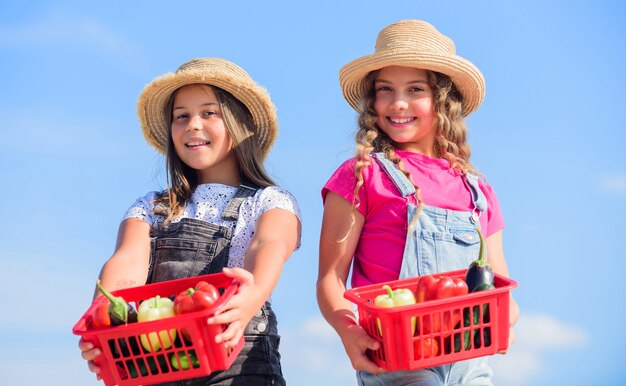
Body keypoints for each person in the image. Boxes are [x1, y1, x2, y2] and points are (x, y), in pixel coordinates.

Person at [317, 20, 519, 385]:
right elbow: (330, 278)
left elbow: (498, 285)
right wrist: (348, 331)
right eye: (384, 90)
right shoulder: (360, 175)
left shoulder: (477, 190)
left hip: (469, 361)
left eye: (415, 90)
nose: (397, 103)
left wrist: (508, 316)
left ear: (443, 101)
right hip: (397, 360)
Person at [78, 57, 301, 385]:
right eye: (181, 116)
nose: (193, 124)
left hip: (240, 367)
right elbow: (125, 264)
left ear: (240, 123)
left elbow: (269, 244)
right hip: (158, 363)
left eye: (209, 113)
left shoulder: (268, 201)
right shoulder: (151, 209)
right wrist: (106, 323)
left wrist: (252, 292)